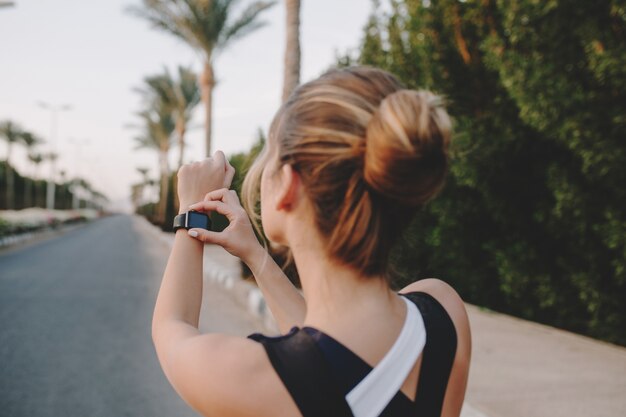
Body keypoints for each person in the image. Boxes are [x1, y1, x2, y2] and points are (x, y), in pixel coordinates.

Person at [152, 66, 471, 417]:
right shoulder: (442, 312)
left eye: (270, 152)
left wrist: (191, 211)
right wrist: (255, 257)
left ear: (289, 184)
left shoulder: (254, 379)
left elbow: (171, 327)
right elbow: (330, 355)